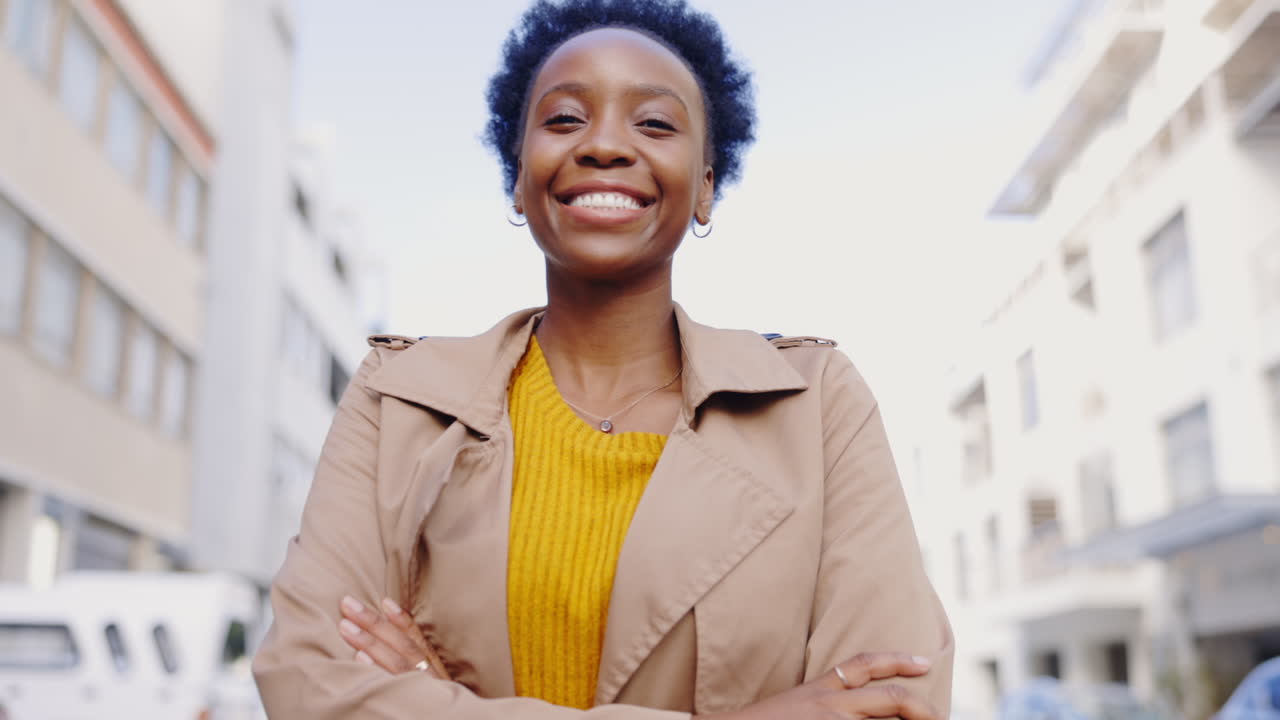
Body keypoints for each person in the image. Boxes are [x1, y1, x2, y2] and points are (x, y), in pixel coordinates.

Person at [251, 0, 954, 718]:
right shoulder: (398, 399)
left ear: (706, 185)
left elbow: (895, 701)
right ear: (517, 178)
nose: (605, 145)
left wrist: (438, 701)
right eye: (564, 120)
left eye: (655, 124)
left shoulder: (816, 404)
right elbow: (310, 687)